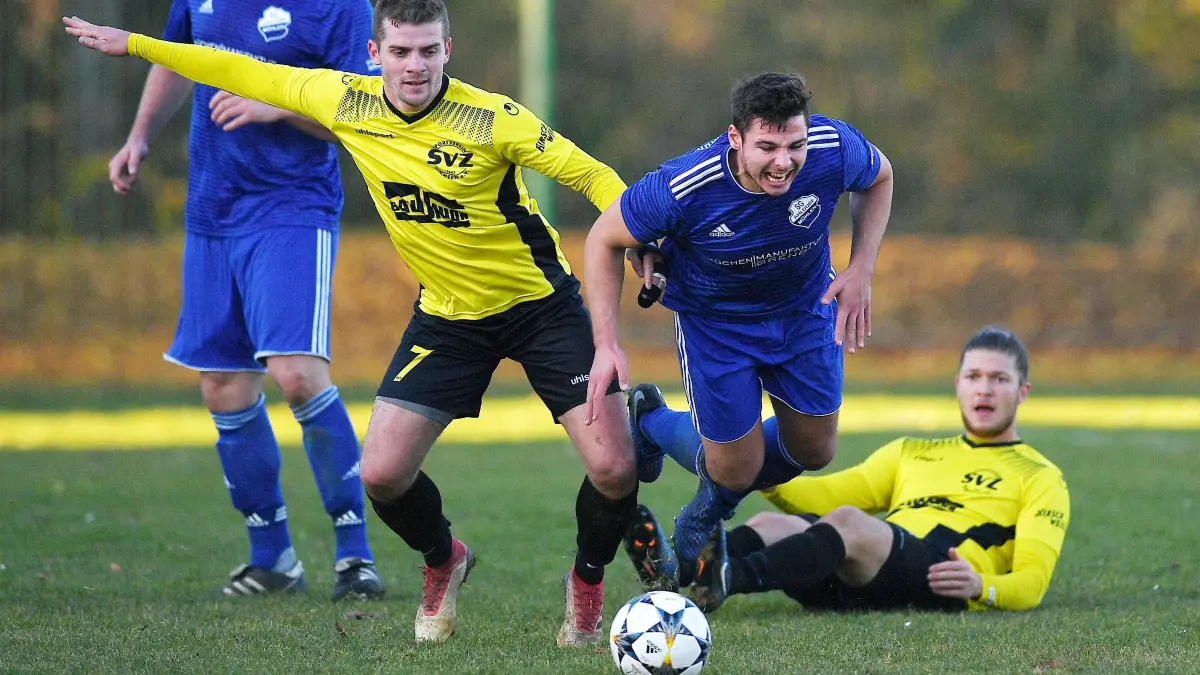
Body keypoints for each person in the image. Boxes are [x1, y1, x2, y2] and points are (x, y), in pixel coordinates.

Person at [65, 0, 638, 646]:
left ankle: (586, 581)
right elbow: (231, 66)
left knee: (615, 467)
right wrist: (139, 45)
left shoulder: (493, 118)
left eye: (427, 50)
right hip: (448, 315)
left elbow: (592, 175)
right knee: (381, 474)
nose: (414, 65)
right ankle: (444, 558)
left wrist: (638, 231)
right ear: (375, 56)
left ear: (448, 51)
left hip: (541, 306)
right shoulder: (345, 100)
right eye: (400, 51)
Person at [104, 0, 382, 602]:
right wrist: (140, 137)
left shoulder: (342, 8)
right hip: (211, 207)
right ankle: (273, 559)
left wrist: (274, 105)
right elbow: (176, 60)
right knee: (224, 387)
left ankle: (355, 556)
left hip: (291, 207)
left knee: (297, 373)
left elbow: (366, 113)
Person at [583, 72, 894, 586]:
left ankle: (702, 481)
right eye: (767, 146)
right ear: (736, 139)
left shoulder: (833, 146)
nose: (784, 161)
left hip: (804, 309)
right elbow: (602, 239)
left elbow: (881, 177)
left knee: (815, 451)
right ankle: (657, 433)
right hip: (717, 326)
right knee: (734, 468)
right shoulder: (683, 185)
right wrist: (606, 343)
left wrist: (861, 267)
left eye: (794, 145)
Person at [633, 327, 1072, 614]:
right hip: (867, 576)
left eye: (999, 379)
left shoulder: (1039, 476)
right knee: (773, 523)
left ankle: (727, 578)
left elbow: (1033, 580)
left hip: (940, 578)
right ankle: (679, 573)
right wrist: (753, 467)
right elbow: (828, 495)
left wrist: (984, 585)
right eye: (974, 376)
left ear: (1023, 391)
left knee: (849, 524)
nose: (985, 389)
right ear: (958, 384)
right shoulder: (913, 451)